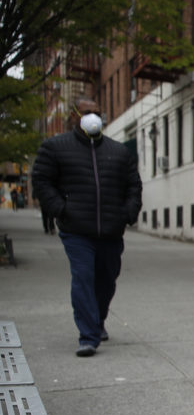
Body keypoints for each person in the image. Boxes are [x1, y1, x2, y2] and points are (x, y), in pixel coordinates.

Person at [32, 97, 143, 357]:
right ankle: (88, 335)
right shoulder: (55, 147)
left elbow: (133, 185)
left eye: (96, 112)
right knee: (83, 277)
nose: (92, 116)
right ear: (74, 115)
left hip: (111, 230)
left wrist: (128, 213)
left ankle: (98, 320)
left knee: (106, 280)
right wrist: (61, 209)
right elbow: (41, 180)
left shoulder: (118, 151)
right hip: (76, 230)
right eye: (86, 112)